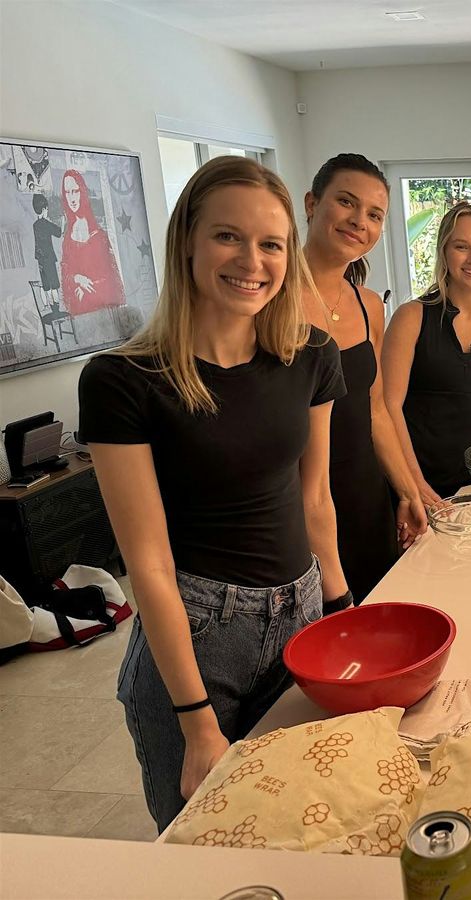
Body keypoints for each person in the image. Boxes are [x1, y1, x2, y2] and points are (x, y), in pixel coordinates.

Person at [78, 156, 351, 831]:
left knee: (302, 822)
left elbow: (315, 498)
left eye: (270, 243)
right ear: (188, 244)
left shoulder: (310, 355)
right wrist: (197, 721)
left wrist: (343, 610)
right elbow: (146, 564)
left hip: (303, 613)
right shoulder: (123, 380)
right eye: (228, 236)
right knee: (202, 838)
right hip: (198, 636)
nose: (251, 261)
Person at [302, 154, 427, 601]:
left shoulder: (368, 304)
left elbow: (374, 408)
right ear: (312, 204)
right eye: (346, 202)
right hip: (300, 507)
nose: (360, 221)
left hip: (365, 497)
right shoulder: (269, 300)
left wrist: (407, 491)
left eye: (374, 214)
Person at [382, 201, 471, 504]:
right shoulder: (411, 317)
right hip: (403, 480)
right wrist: (414, 485)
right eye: (461, 246)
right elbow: (387, 406)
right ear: (444, 253)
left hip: (465, 479)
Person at [60, 169, 125, 315]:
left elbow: (110, 276)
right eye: (67, 192)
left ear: (82, 192)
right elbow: (65, 272)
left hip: (102, 309)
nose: (72, 198)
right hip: (79, 309)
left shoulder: (99, 235)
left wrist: (87, 289)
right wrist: (78, 279)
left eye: (75, 191)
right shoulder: (67, 239)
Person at [31, 193, 63, 309]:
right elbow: (59, 233)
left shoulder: (35, 225)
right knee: (54, 284)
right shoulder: (46, 224)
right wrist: (61, 220)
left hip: (40, 259)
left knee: (46, 284)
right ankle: (56, 306)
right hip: (49, 257)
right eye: (47, 209)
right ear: (44, 209)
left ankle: (50, 305)